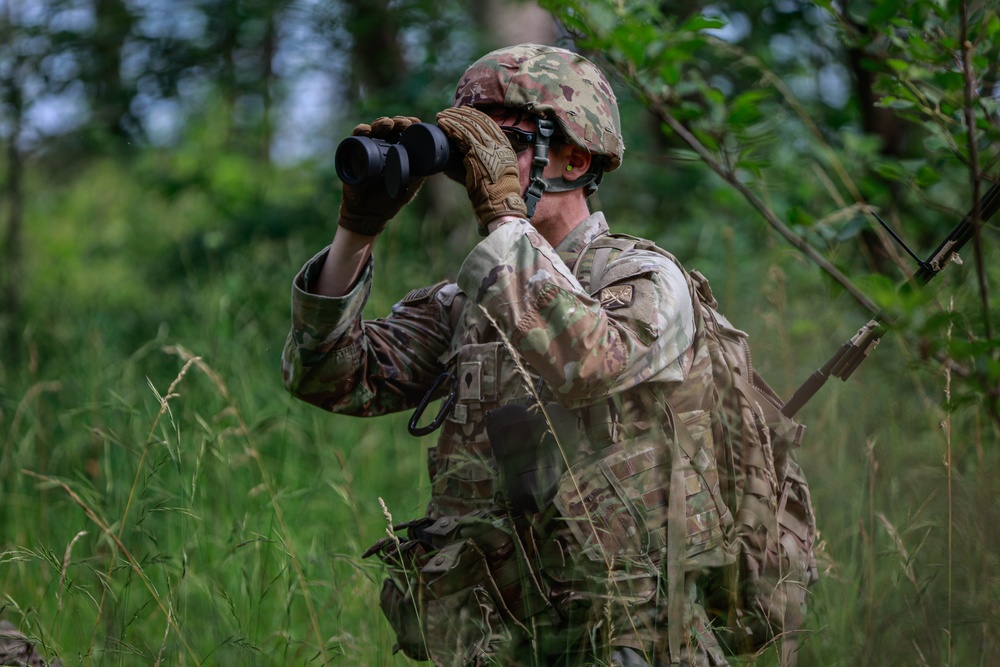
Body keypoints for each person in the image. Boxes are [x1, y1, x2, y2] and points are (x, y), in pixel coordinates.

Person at [282, 44, 733, 667]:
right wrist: (357, 230)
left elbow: (589, 361)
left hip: (626, 637)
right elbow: (329, 375)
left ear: (575, 158)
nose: (480, 167)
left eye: (507, 145)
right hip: (497, 639)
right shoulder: (470, 299)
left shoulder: (647, 280)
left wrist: (501, 213)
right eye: (471, 150)